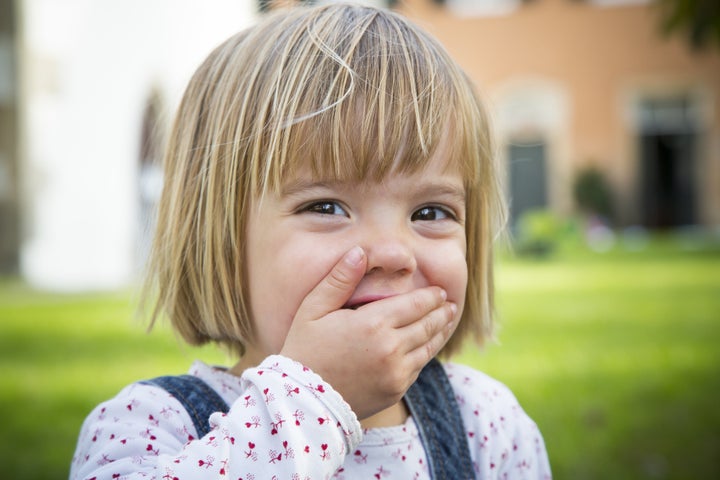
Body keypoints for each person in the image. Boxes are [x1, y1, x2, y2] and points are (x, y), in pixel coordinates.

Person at [70, 3, 551, 479]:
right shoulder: (150, 428)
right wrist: (308, 401)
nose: (391, 253)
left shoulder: (487, 425)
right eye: (326, 207)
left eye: (430, 212)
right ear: (219, 235)